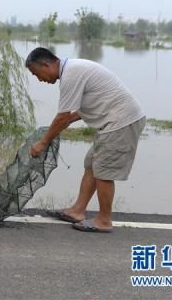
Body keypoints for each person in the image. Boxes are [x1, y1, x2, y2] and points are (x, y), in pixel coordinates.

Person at [25, 47, 146, 233]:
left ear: (45, 64)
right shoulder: (72, 69)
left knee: (103, 171)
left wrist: (43, 142)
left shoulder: (70, 75)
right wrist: (67, 121)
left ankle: (104, 220)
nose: (39, 79)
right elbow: (87, 104)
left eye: (36, 73)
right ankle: (77, 211)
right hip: (113, 122)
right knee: (92, 164)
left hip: (121, 122)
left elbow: (62, 117)